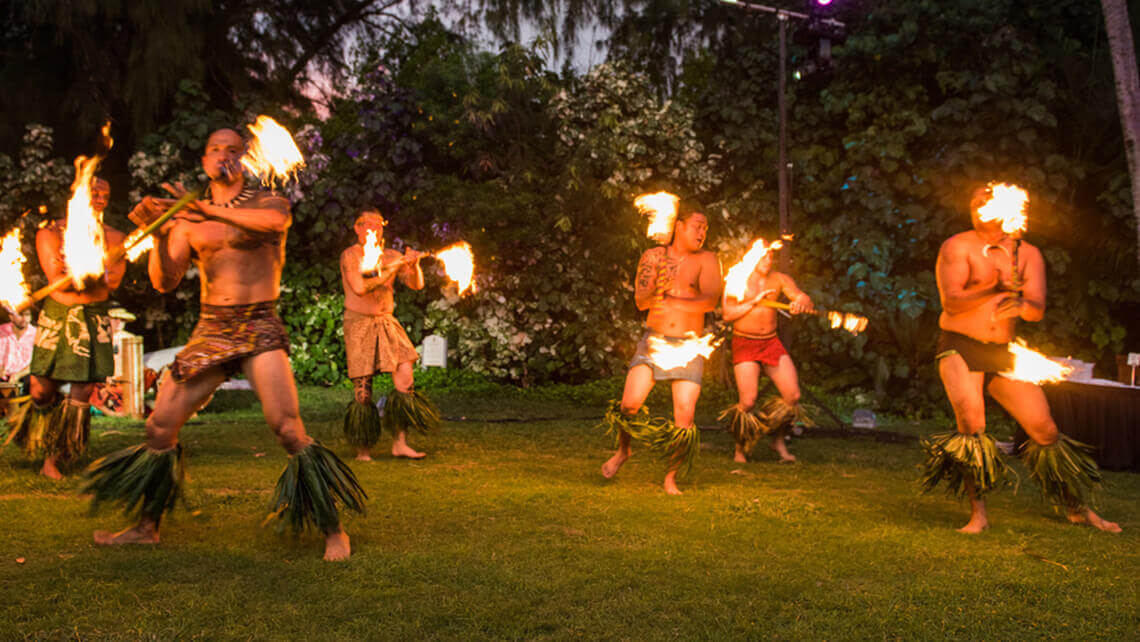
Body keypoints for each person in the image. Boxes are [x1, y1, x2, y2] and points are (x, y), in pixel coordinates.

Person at [85, 128, 364, 561]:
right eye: (214, 148)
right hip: (212, 327)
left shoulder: (267, 202)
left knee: (288, 429)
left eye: (233, 148)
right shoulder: (187, 219)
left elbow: (274, 224)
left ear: (243, 158)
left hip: (258, 325)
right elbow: (164, 281)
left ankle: (334, 531)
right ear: (205, 160)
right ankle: (146, 528)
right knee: (160, 426)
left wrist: (203, 209)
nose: (223, 155)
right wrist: (159, 234)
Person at [921, 185, 1121, 533]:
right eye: (974, 201)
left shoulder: (1027, 254)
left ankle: (1077, 508)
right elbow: (952, 302)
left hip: (1002, 350)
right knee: (972, 427)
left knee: (1045, 429)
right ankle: (978, 515)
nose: (977, 207)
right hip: (959, 345)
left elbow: (1036, 310)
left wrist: (1021, 304)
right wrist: (997, 287)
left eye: (984, 202)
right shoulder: (957, 246)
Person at [5, 177, 125, 479]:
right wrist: (88, 271)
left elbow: (114, 282)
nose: (99, 197)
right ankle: (41, 436)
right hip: (58, 314)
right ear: (78, 195)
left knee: (81, 391)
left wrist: (86, 272)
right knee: (40, 391)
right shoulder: (50, 234)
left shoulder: (114, 237)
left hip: (93, 316)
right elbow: (55, 273)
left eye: (105, 194)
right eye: (93, 192)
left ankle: (55, 459)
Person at [600, 205, 722, 495]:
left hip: (689, 345)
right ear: (679, 225)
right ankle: (623, 451)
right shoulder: (653, 256)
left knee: (684, 418)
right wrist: (657, 284)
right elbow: (641, 302)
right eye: (697, 226)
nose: (702, 233)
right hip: (654, 341)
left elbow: (710, 300)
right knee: (629, 405)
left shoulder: (708, 259)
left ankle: (671, 477)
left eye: (705, 228)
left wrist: (677, 300)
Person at [339, 210, 437, 461]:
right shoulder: (351, 256)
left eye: (378, 224)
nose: (374, 228)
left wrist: (413, 265)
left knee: (405, 376)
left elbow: (417, 285)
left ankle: (400, 443)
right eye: (367, 224)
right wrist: (390, 271)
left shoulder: (392, 256)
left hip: (386, 321)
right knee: (363, 389)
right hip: (359, 323)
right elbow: (360, 288)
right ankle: (363, 449)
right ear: (357, 228)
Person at [718, 243, 813, 463]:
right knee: (748, 402)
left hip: (770, 342)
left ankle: (777, 440)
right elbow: (728, 314)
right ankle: (740, 448)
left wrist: (801, 302)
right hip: (745, 342)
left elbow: (801, 296)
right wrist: (754, 301)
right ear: (752, 257)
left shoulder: (779, 279)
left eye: (771, 257)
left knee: (792, 396)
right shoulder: (738, 279)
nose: (768, 262)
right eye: (763, 258)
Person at [0, 308, 36, 383]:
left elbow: (39, 362)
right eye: (20, 315)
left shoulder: (36, 334)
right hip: (3, 376)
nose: (24, 319)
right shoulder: (2, 330)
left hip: (26, 377)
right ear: (11, 316)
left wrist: (18, 375)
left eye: (27, 315)